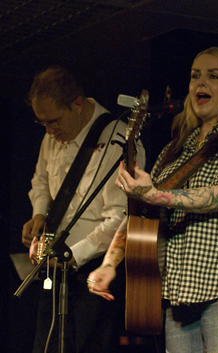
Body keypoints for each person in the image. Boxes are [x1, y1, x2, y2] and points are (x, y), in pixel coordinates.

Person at [87, 47, 218, 353]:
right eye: (195, 75)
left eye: (214, 76)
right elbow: (143, 212)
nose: (201, 83)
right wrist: (110, 263)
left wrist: (153, 193)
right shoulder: (176, 149)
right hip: (179, 294)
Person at [21, 66, 146, 353]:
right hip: (55, 269)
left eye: (53, 122)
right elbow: (40, 180)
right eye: (43, 124)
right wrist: (39, 213)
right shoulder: (52, 134)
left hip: (93, 272)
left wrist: (73, 256)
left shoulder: (118, 141)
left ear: (78, 104)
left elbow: (120, 217)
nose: (50, 131)